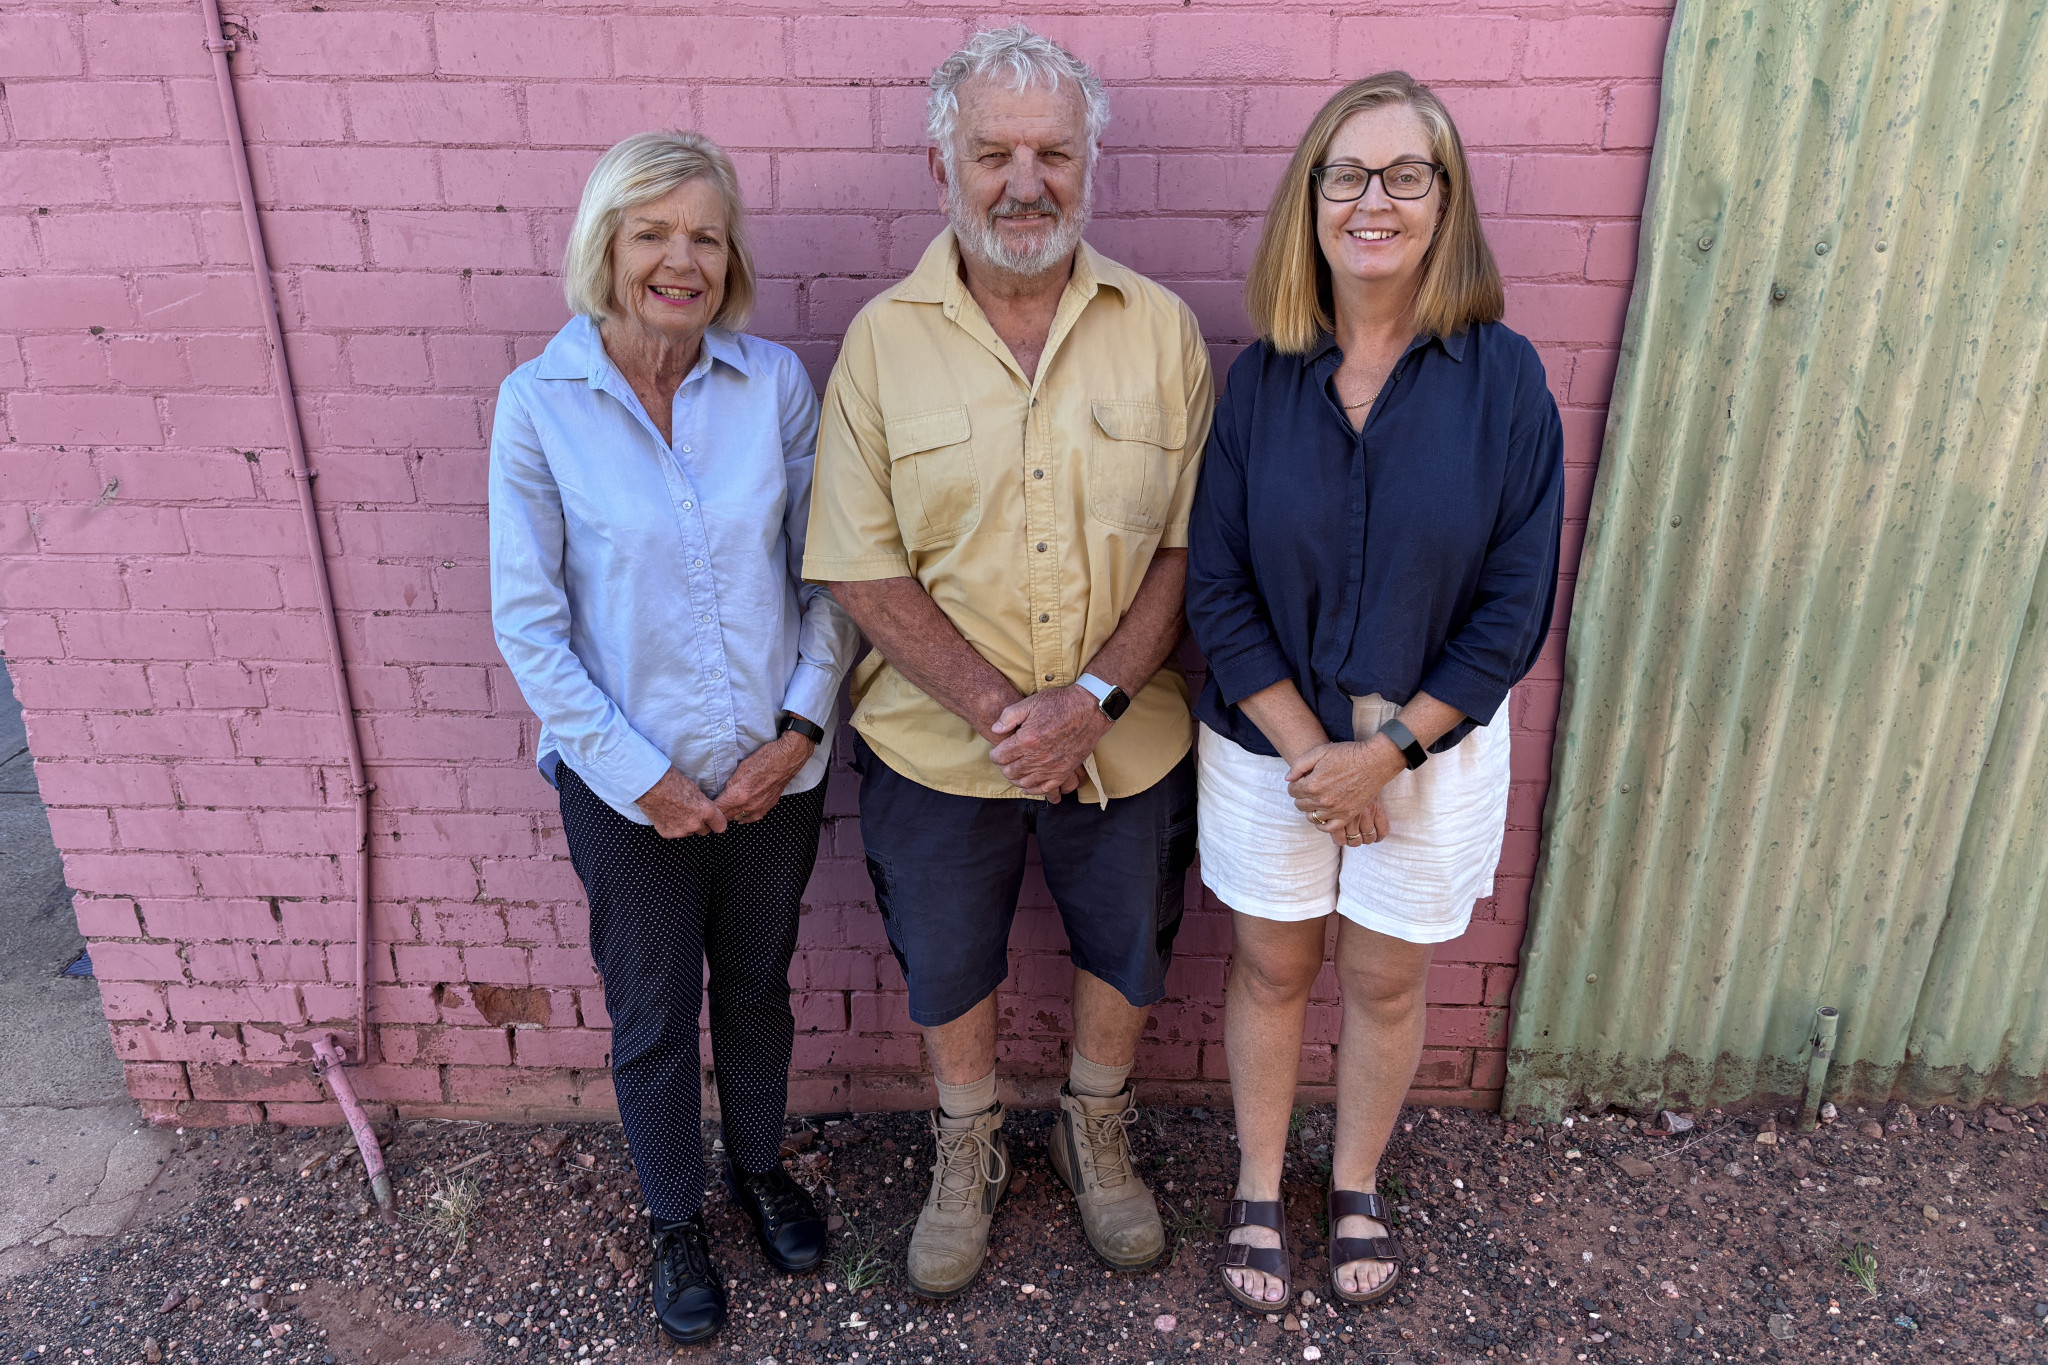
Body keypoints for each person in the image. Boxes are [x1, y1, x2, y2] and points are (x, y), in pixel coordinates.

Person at [804, 25, 1212, 1301]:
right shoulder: (881, 343)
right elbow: (859, 566)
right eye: (993, 153)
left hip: (1122, 731)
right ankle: (966, 1146)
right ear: (944, 167)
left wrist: (1087, 701)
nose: (1023, 181)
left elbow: (1189, 551)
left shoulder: (1162, 332)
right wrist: (1001, 712)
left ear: (1090, 165)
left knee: (1124, 947)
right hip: (937, 742)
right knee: (946, 958)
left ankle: (1094, 1129)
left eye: (1051, 152)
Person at [1186, 73, 1564, 1312]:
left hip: (1432, 750)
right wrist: (1313, 756)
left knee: (1388, 981)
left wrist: (1384, 754)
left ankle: (1350, 1183)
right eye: (1344, 174)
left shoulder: (1503, 382)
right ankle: (1254, 1188)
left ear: (1444, 201)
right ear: (1309, 201)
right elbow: (1221, 587)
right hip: (1268, 747)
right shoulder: (1259, 381)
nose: (1372, 200)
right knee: (1270, 967)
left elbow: (1512, 604)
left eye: (1406, 174)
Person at [489, 131, 860, 1346]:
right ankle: (671, 1216)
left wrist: (798, 733)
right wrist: (638, 776)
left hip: (772, 772)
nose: (680, 260)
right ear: (606, 245)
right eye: (652, 232)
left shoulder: (773, 387)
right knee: (652, 1011)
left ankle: (759, 1171)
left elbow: (829, 580)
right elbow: (530, 625)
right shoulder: (541, 405)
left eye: (704, 235)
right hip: (622, 785)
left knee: (755, 991)